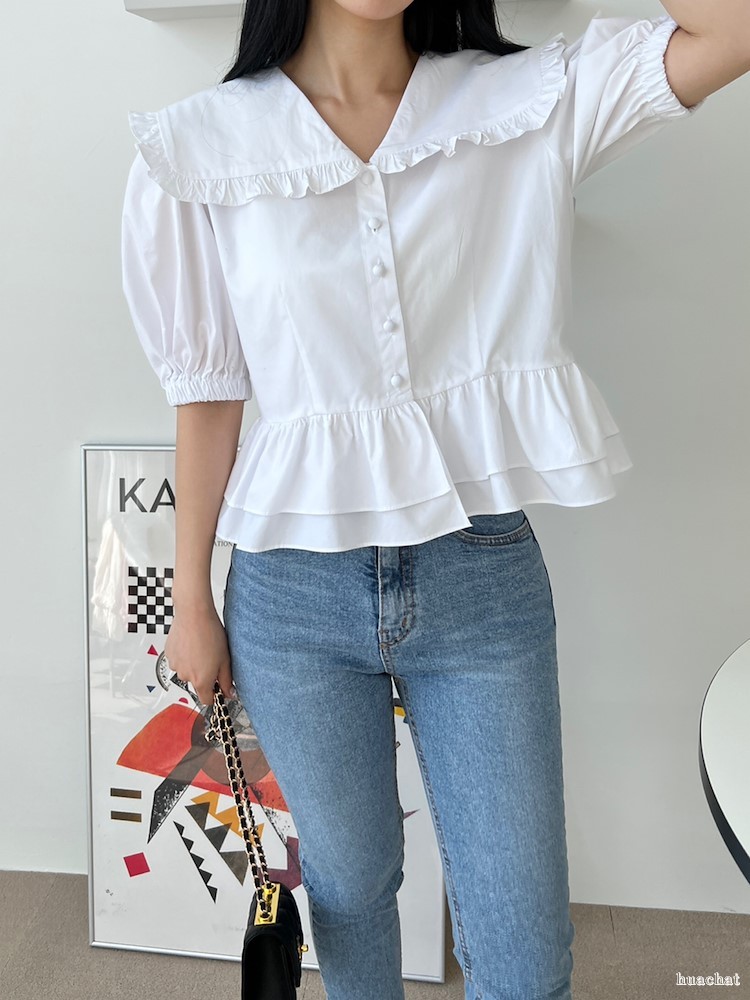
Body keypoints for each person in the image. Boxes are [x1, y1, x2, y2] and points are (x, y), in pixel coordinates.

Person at [121, 1, 745, 996]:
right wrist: (190, 600)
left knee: (524, 950)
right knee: (350, 886)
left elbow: (731, 32)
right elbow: (208, 400)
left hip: (479, 578)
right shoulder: (202, 145)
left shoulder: (523, 101)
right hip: (291, 594)